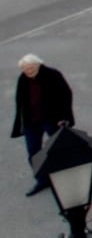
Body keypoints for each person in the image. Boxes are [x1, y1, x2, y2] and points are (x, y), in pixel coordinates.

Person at [11, 55, 74, 196]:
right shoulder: (23, 79)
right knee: (33, 153)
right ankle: (43, 180)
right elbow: (20, 102)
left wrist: (64, 117)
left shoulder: (53, 75)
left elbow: (66, 95)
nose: (28, 72)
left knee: (60, 147)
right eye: (25, 69)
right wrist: (21, 123)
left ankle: (70, 174)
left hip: (51, 119)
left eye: (31, 68)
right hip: (32, 122)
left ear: (39, 64)